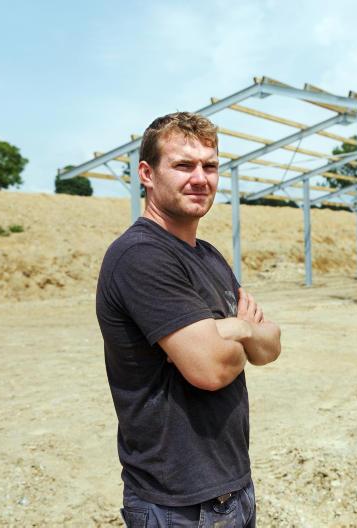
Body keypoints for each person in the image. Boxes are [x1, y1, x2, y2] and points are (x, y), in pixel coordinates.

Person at [96, 111, 281, 527]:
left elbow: (270, 348)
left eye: (210, 166)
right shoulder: (141, 256)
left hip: (232, 485)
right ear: (147, 173)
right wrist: (236, 335)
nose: (201, 178)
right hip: (177, 504)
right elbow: (211, 369)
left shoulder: (208, 256)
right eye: (183, 165)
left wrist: (238, 329)